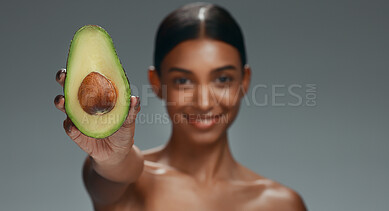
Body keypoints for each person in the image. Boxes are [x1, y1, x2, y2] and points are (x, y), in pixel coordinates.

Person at [54, 2, 307, 210]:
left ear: (245, 80)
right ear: (157, 82)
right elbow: (113, 174)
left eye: (222, 79)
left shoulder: (282, 204)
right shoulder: (132, 185)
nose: (204, 102)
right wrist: (113, 158)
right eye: (183, 81)